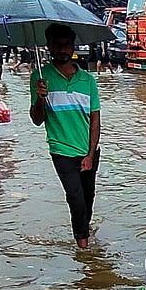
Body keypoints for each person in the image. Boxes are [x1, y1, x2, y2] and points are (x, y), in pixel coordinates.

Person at [30, 24, 101, 249]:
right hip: (61, 150)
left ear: (73, 47)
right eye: (57, 45)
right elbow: (37, 119)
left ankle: (84, 232)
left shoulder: (88, 80)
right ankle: (84, 250)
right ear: (49, 47)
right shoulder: (41, 78)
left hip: (88, 150)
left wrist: (90, 154)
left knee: (88, 199)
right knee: (75, 198)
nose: (62, 49)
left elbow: (95, 120)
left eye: (67, 45)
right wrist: (40, 98)